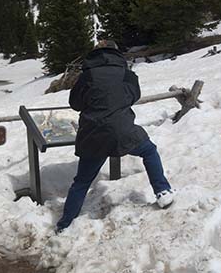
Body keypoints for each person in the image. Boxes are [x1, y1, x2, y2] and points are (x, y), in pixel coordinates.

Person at [56, 40, 174, 232]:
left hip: (93, 134)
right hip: (123, 131)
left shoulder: (87, 75)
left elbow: (75, 103)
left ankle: (65, 224)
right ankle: (162, 191)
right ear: (116, 54)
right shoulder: (126, 74)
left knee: (82, 181)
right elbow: (133, 96)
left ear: (96, 54)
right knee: (149, 151)